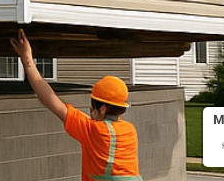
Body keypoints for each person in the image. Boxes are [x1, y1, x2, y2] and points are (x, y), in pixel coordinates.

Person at [11, 29, 142, 181]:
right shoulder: (130, 131)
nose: (90, 111)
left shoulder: (92, 131)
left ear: (103, 109)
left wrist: (28, 61)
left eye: (92, 107)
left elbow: (51, 101)